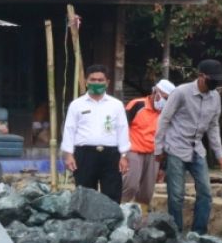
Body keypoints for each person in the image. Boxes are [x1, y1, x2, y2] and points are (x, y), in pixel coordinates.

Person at [154, 59, 222, 234]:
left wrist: (220, 155)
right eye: (213, 78)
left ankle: (199, 233)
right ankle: (176, 233)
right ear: (201, 76)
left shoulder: (215, 97)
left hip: (197, 149)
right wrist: (158, 149)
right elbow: (164, 120)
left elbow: (213, 126)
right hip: (176, 147)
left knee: (205, 192)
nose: (216, 82)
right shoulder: (181, 92)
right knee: (176, 195)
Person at [60, 64, 130, 203]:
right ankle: (87, 225)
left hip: (111, 156)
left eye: (100, 80)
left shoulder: (116, 105)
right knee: (85, 197)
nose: (96, 83)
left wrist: (124, 155)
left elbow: (122, 129)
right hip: (84, 155)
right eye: (93, 79)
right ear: (86, 81)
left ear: (107, 82)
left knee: (112, 195)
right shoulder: (77, 104)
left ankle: (111, 224)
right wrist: (68, 155)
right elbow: (69, 129)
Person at [122, 79, 176, 213]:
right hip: (133, 150)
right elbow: (122, 128)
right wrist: (121, 154)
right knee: (131, 185)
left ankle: (141, 218)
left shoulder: (166, 113)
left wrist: (163, 166)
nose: (165, 102)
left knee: (147, 190)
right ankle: (120, 211)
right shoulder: (137, 105)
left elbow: (167, 138)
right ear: (155, 92)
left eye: (168, 100)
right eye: (164, 97)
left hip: (153, 153)